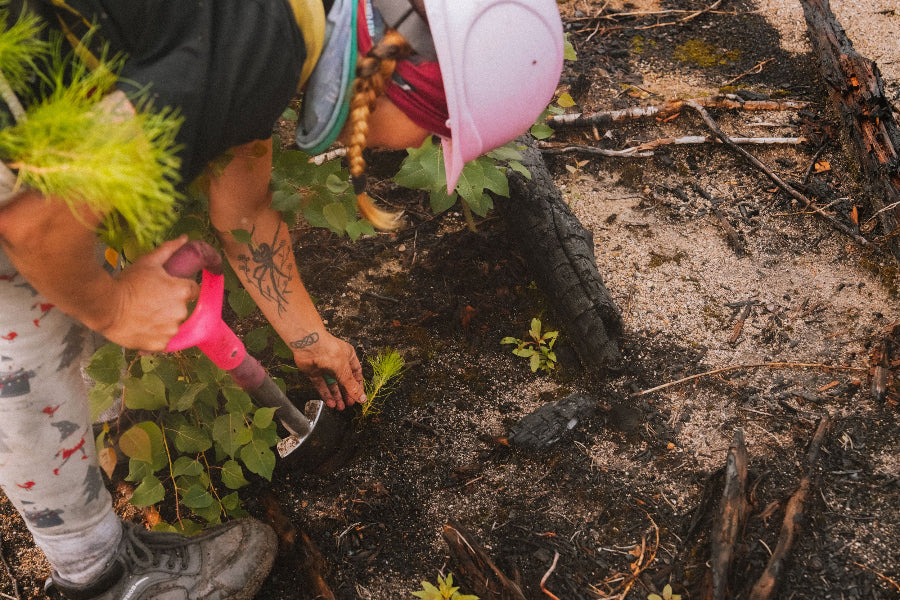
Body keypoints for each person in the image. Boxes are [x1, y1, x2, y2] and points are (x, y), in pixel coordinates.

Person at [0, 0, 564, 598]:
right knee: (32, 313)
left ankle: (98, 500)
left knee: (72, 271)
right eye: (435, 131)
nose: (417, 145)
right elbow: (36, 223)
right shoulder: (256, 42)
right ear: (408, 75)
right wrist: (112, 306)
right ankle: (98, 577)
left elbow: (243, 206)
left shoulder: (278, 29)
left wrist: (309, 336)